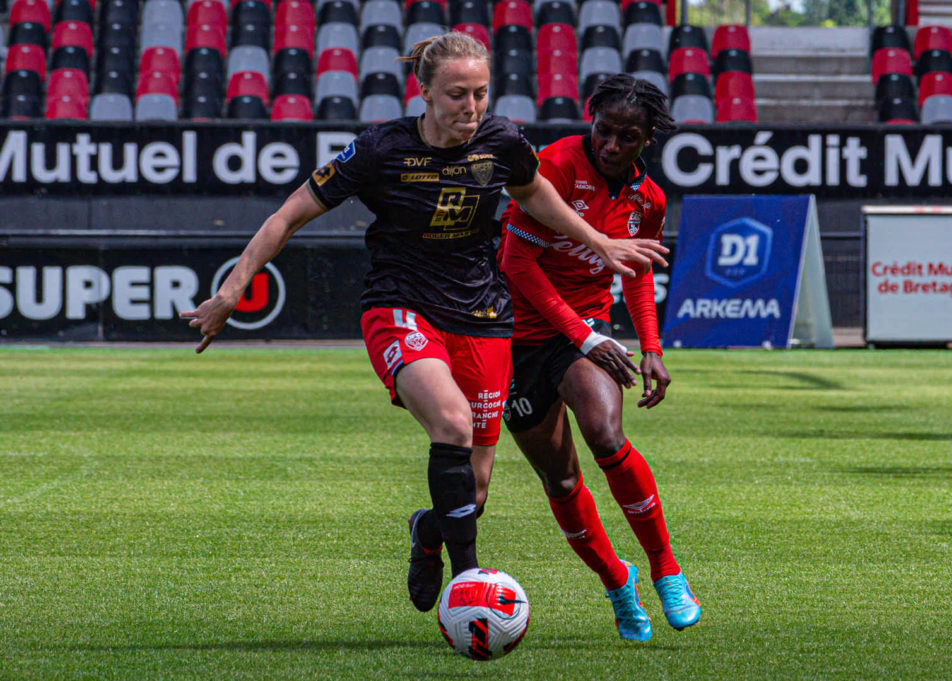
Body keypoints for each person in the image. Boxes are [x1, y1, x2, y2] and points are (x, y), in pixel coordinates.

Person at [179, 34, 668, 615]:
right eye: (457, 94)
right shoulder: (380, 148)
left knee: (473, 494)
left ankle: (428, 531)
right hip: (400, 303)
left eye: (480, 93)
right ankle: (469, 587)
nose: (472, 107)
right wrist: (232, 290)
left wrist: (599, 243)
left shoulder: (502, 141)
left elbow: (536, 193)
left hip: (481, 314)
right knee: (452, 423)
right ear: (426, 92)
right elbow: (288, 215)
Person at [497, 74, 700, 642]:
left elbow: (635, 272)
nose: (611, 145)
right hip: (514, 336)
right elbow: (515, 264)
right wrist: (587, 339)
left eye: (627, 137)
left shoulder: (648, 199)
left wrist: (650, 347)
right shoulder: (556, 168)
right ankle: (617, 582)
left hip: (582, 331)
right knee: (560, 480)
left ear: (647, 140)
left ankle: (666, 570)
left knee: (606, 435)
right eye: (603, 130)